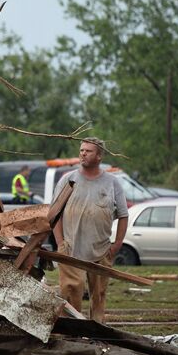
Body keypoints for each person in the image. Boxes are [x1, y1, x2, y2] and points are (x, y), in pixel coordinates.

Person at [52, 138, 128, 322]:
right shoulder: (68, 180)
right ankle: (72, 331)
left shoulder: (112, 183)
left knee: (99, 294)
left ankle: (97, 331)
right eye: (81, 150)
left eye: (88, 151)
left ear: (99, 156)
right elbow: (54, 215)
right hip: (71, 249)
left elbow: (124, 215)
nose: (83, 153)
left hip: (101, 250)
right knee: (70, 292)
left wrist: (116, 244)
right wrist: (61, 243)